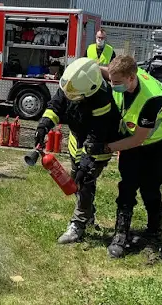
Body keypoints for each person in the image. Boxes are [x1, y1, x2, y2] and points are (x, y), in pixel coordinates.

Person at [84, 55, 162, 258]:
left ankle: (154, 230)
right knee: (127, 183)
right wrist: (85, 67)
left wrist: (106, 147)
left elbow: (137, 140)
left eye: (116, 83)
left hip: (156, 139)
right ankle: (120, 234)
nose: (112, 85)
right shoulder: (120, 76)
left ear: (131, 78)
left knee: (149, 186)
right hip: (133, 133)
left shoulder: (151, 99)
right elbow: (101, 70)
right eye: (111, 80)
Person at [34, 57, 121, 244]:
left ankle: (78, 225)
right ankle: (88, 214)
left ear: (89, 91)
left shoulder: (102, 100)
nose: (69, 95)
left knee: (85, 181)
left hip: (98, 145)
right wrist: (43, 126)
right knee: (76, 182)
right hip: (77, 139)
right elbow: (56, 105)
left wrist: (86, 164)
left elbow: (96, 135)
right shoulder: (72, 83)